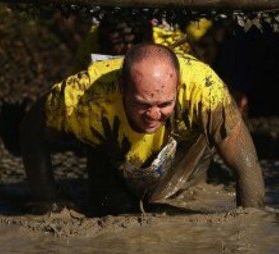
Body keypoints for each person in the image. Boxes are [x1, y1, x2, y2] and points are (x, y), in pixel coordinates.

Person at [20, 43, 265, 215]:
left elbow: (247, 166)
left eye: (164, 104)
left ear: (178, 87)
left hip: (185, 149)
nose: (153, 115)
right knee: (111, 210)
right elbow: (31, 129)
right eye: (143, 104)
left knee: (188, 196)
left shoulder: (205, 91)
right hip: (112, 149)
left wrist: (249, 230)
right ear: (122, 87)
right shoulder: (82, 98)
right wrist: (46, 197)